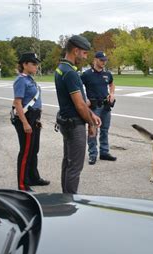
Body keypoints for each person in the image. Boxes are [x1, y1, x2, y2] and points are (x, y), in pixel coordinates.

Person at [54, 35, 101, 194]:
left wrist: (91, 114)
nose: (86, 56)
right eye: (85, 53)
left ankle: (65, 196)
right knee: (75, 166)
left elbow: (80, 103)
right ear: (76, 50)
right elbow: (80, 105)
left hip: (66, 121)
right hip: (74, 124)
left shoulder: (61, 68)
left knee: (67, 162)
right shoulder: (71, 73)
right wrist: (92, 123)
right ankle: (70, 201)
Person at [12, 52, 50, 192]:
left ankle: (34, 177)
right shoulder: (21, 80)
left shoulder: (30, 79)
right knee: (26, 152)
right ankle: (22, 184)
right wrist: (25, 123)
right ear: (24, 64)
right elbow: (18, 103)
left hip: (34, 118)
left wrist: (37, 120)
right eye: (33, 63)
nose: (36, 66)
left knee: (34, 150)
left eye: (36, 64)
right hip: (26, 119)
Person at [81, 51, 117, 164]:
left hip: (105, 106)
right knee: (93, 130)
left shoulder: (107, 74)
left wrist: (112, 93)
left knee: (105, 130)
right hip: (93, 107)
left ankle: (104, 152)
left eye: (105, 60)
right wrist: (84, 98)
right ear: (95, 60)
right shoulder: (87, 74)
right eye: (101, 60)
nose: (103, 62)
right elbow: (78, 86)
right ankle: (93, 154)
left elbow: (111, 84)